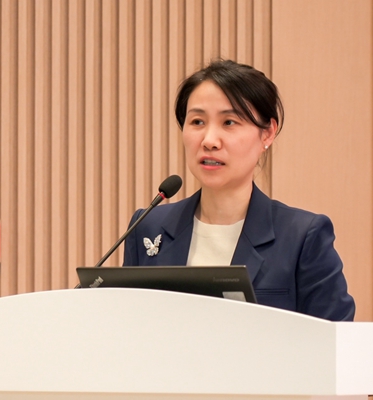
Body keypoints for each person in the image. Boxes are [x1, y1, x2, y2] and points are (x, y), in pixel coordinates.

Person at [123, 59, 355, 321]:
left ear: (267, 133)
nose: (209, 141)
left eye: (229, 122)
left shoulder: (302, 237)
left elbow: (337, 337)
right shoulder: (147, 226)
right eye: (197, 121)